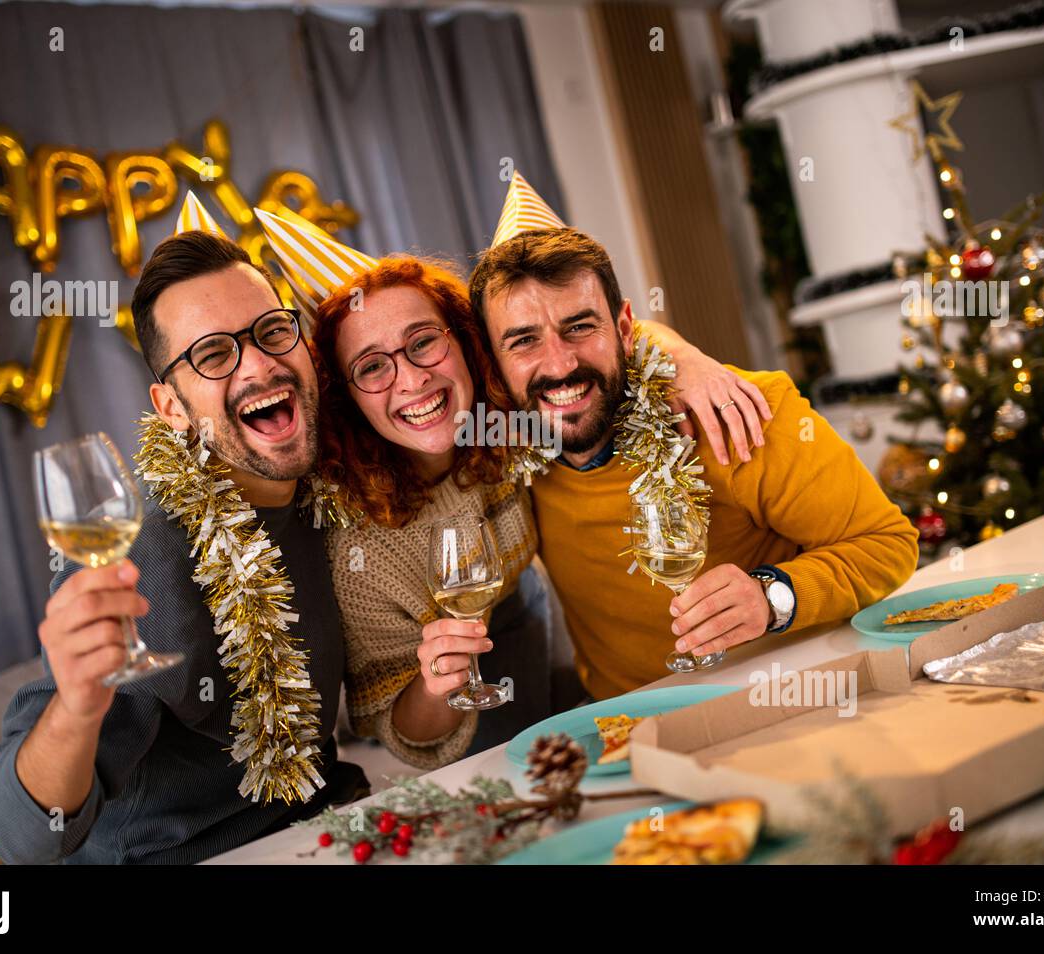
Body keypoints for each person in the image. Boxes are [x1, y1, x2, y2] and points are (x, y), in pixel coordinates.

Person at [254, 204, 769, 768]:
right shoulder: (359, 544)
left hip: (554, 649)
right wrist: (436, 683)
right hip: (467, 710)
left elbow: (586, 333)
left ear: (470, 343)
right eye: (372, 366)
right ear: (345, 396)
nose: (410, 378)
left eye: (423, 341)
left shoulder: (514, 414)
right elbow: (399, 730)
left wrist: (684, 359)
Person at [0, 205, 367, 864]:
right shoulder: (143, 549)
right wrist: (75, 708)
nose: (258, 366)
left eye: (272, 331)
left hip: (330, 827)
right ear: (172, 410)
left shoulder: (334, 493)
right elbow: (25, 839)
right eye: (213, 354)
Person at [468, 185, 920, 701]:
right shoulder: (500, 456)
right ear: (494, 362)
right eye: (524, 340)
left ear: (622, 326)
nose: (560, 363)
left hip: (793, 700)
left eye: (580, 326)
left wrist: (771, 596)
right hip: (632, 733)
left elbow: (887, 544)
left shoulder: (739, 411)